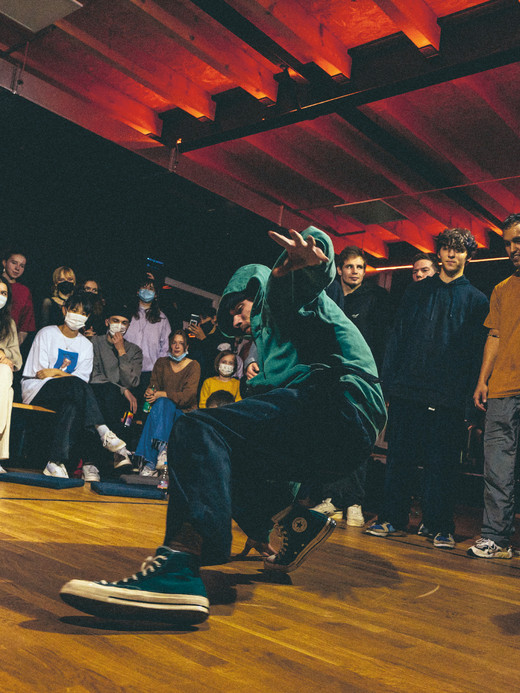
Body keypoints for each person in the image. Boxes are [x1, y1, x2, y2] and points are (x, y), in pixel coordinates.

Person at [60, 226, 387, 625]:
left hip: (341, 399)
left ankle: (179, 569)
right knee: (225, 453)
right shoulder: (268, 345)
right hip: (339, 434)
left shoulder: (282, 299)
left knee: (198, 429)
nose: (237, 319)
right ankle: (293, 525)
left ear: (257, 289)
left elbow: (302, 281)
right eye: (229, 314)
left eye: (240, 307)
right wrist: (265, 514)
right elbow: (279, 427)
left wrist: (300, 262)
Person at [366, 228, 489, 549]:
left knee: (442, 465)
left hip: (448, 396)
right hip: (408, 389)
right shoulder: (416, 292)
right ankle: (391, 518)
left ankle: (438, 525)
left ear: (468, 255)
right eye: (447, 248)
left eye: (458, 250)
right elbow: (397, 337)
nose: (451, 254)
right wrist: (388, 384)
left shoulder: (477, 300)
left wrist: (468, 400)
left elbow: (477, 354)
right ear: (439, 253)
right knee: (399, 459)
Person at [313, 246, 393, 527]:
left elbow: (383, 342)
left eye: (360, 267)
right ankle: (332, 498)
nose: (355, 272)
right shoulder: (327, 294)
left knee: (359, 439)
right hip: (330, 374)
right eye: (350, 266)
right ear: (339, 268)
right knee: (330, 438)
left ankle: (354, 500)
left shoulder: (377, 298)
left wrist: (381, 382)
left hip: (362, 377)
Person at [22, 291, 130, 479]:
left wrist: (56, 371)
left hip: (69, 393)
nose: (78, 316)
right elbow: (41, 373)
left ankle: (55, 462)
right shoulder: (47, 333)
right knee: (75, 387)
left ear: (87, 318)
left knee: (73, 403)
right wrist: (60, 375)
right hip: (37, 389)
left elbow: (81, 381)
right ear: (64, 310)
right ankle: (103, 430)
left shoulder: (85, 345)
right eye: (74, 310)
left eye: (83, 313)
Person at [467, 214, 520, 559]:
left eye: (519, 240)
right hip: (503, 388)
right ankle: (495, 537)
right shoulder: (502, 289)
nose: (514, 248)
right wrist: (482, 380)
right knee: (497, 467)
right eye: (509, 243)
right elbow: (496, 335)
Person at [135, 329, 200, 477]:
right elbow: (154, 385)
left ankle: (150, 463)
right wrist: (150, 392)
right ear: (170, 345)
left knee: (163, 403)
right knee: (162, 405)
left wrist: (162, 394)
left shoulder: (194, 365)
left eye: (181, 343)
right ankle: (162, 453)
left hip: (184, 412)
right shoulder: (161, 363)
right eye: (174, 343)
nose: (177, 346)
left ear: (187, 347)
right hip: (162, 410)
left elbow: (188, 397)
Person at [89, 303, 143, 478]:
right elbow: (93, 375)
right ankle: (114, 456)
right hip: (98, 393)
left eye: (124, 322)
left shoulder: (134, 350)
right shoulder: (95, 342)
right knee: (109, 394)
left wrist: (121, 351)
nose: (119, 326)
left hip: (120, 402)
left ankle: (109, 459)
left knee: (123, 407)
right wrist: (122, 390)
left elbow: (132, 382)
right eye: (115, 321)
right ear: (107, 322)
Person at [125, 275, 171, 403]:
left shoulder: (162, 318)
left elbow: (166, 347)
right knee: (123, 409)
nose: (147, 290)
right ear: (137, 291)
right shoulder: (127, 313)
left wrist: (158, 370)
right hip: (125, 368)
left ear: (155, 295)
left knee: (143, 410)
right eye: (144, 287)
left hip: (149, 373)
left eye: (151, 288)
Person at [0, 280, 22, 470]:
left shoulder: (9, 324)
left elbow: (17, 358)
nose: (1, 297)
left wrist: (3, 354)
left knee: (5, 374)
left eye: (5, 294)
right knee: (6, 394)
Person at [2, 248, 35, 345]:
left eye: (22, 266)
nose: (17, 268)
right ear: (4, 263)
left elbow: (25, 326)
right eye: (14, 263)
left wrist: (13, 347)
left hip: (9, 345)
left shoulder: (24, 291)